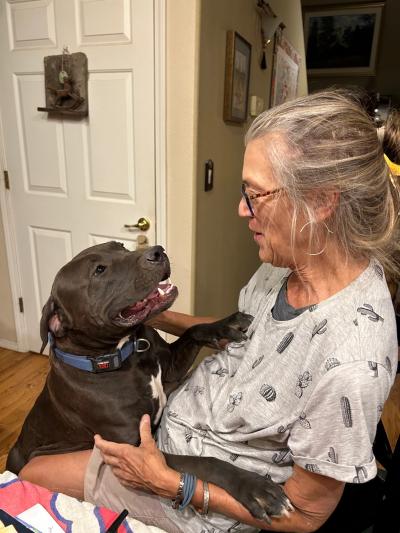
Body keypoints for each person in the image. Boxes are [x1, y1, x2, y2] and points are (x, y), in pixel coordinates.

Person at [20, 90, 400, 533]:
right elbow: (253, 340)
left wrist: (173, 484)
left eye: (255, 194)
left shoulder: (353, 360)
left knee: (27, 477)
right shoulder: (294, 263)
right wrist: (152, 313)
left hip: (193, 497)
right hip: (169, 435)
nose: (242, 209)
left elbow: (306, 515)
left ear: (320, 202)